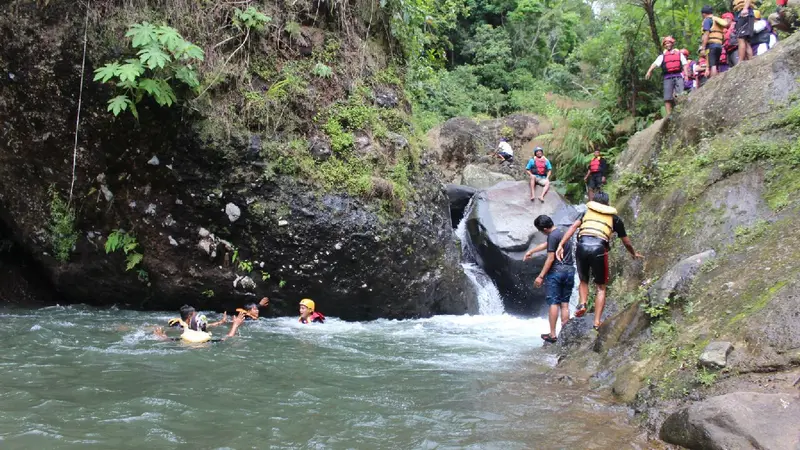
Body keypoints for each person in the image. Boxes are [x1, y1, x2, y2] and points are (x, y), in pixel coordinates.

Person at [556, 192, 643, 331]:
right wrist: (633, 253)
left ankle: (583, 303)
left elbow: (573, 228)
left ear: (594, 202)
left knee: (583, 280)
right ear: (607, 203)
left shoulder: (585, 213)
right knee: (601, 287)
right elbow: (626, 241)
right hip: (599, 249)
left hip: (581, 246)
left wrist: (560, 245)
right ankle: (596, 322)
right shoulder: (615, 219)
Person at [524, 215, 575, 343]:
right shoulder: (562, 231)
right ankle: (565, 333)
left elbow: (551, 258)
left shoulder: (552, 235)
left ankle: (552, 335)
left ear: (545, 229)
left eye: (541, 230)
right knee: (565, 304)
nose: (542, 232)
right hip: (569, 271)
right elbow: (548, 244)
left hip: (557, 272)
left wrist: (540, 276)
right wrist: (532, 251)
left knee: (554, 303)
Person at [645, 36, 687, 116]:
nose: (668, 45)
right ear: (664, 45)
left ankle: (682, 112)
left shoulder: (679, 54)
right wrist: (649, 71)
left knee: (681, 94)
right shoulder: (662, 56)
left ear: (672, 44)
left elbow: (685, 64)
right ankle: (668, 116)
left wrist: (686, 75)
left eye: (669, 43)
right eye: (666, 43)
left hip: (678, 76)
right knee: (667, 97)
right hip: (667, 77)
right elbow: (655, 64)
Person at [156, 305, 245, 342]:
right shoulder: (205, 340)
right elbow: (227, 338)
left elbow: (172, 340)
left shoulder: (184, 336)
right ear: (189, 317)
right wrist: (235, 325)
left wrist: (164, 338)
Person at [700, 6, 730, 78]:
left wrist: (703, 47)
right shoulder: (716, 20)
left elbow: (706, 34)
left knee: (712, 65)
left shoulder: (707, 20)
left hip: (711, 45)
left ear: (704, 14)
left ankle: (713, 81)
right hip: (719, 45)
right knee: (715, 64)